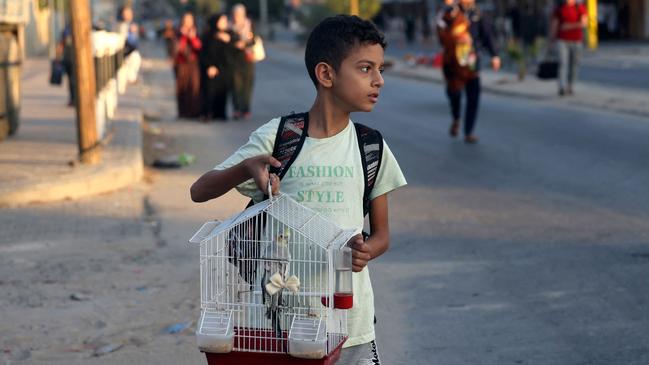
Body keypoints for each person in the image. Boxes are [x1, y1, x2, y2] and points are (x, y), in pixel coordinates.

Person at [190, 15, 407, 365]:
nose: (379, 80)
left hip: (350, 325)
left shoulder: (371, 147)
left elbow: (382, 235)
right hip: (280, 327)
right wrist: (246, 167)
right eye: (366, 68)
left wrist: (365, 251)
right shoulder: (280, 137)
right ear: (326, 74)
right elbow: (199, 191)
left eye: (380, 69)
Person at [438, 0, 500, 144]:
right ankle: (456, 117)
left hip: (472, 59)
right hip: (453, 61)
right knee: (454, 93)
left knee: (473, 96)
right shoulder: (451, 11)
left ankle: (469, 131)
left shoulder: (477, 13)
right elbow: (440, 28)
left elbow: (487, 35)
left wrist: (494, 55)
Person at [199, 13, 233, 121]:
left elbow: (233, 52)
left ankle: (220, 113)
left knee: (222, 91)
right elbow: (205, 53)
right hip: (211, 68)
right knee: (209, 92)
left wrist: (228, 40)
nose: (225, 23)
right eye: (222, 21)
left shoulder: (229, 35)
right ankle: (207, 113)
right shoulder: (208, 35)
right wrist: (210, 65)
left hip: (224, 68)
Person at [550, 0, 587, 96]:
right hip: (562, 40)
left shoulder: (580, 7)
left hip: (576, 40)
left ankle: (571, 86)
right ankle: (562, 87)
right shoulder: (559, 8)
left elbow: (584, 23)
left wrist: (569, 26)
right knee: (563, 63)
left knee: (574, 64)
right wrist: (551, 39)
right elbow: (555, 24)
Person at [174, 12, 203, 119]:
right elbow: (178, 48)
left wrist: (192, 37)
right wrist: (183, 36)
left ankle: (194, 112)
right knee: (182, 88)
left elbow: (199, 47)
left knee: (194, 87)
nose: (187, 22)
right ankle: (183, 112)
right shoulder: (177, 32)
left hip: (194, 64)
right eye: (186, 20)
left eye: (190, 20)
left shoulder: (196, 32)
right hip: (181, 64)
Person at [230, 4, 256, 120]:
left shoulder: (250, 25)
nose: (237, 17)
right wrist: (235, 44)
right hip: (234, 60)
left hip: (247, 60)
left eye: (239, 14)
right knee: (235, 86)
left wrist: (246, 43)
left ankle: (245, 109)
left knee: (247, 85)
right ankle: (236, 109)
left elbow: (255, 40)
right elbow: (227, 43)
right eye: (235, 14)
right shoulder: (230, 27)